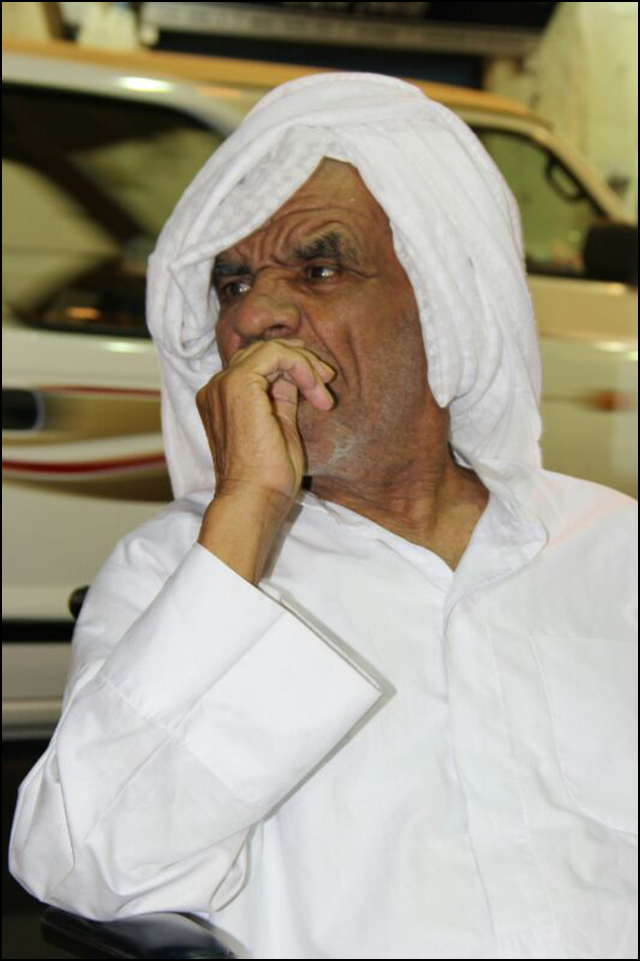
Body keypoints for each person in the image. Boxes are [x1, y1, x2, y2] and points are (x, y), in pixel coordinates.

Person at [9, 73, 637, 960]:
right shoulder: (178, 570)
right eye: (233, 283)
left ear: (445, 306)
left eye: (321, 269)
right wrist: (247, 512)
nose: (255, 315)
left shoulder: (612, 551)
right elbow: (81, 867)